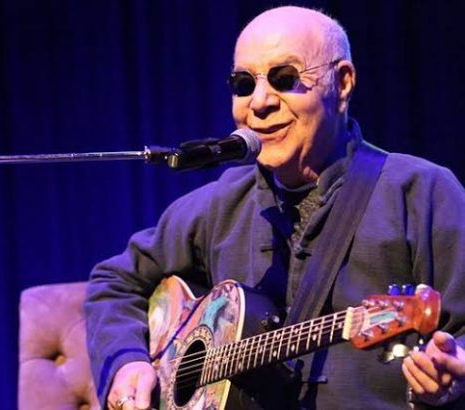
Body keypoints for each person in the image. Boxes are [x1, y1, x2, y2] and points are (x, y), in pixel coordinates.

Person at [84, 6, 465, 410]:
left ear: (342, 83)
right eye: (244, 84)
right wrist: (127, 362)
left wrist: (454, 372)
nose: (260, 102)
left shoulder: (422, 191)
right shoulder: (221, 204)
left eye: (285, 79)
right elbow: (115, 281)